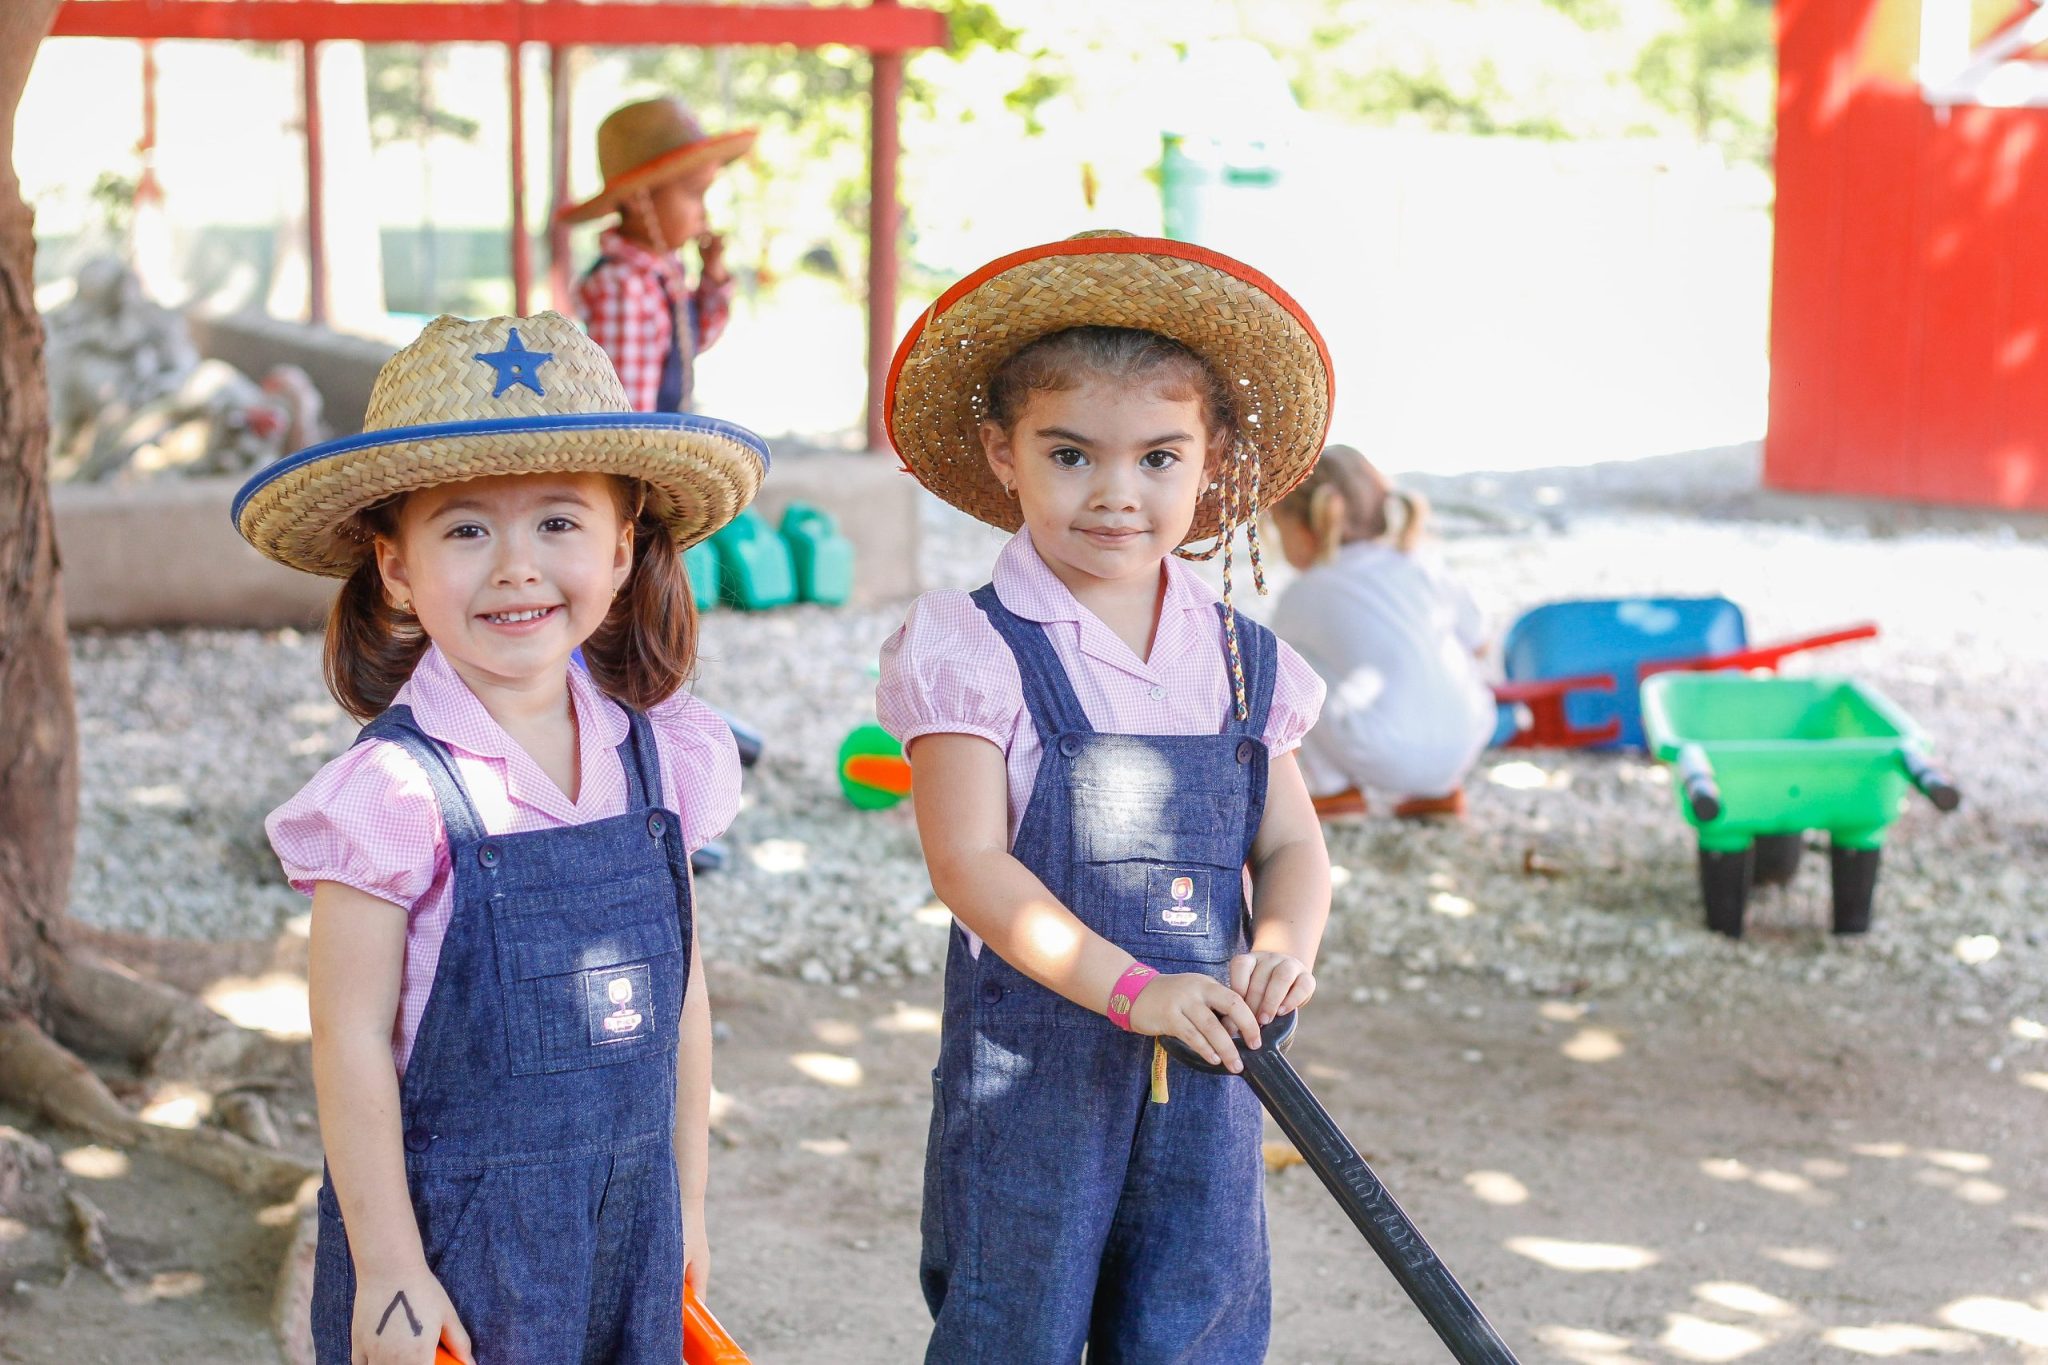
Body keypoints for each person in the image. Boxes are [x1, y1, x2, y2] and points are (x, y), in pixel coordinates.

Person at [235, 311, 769, 1364]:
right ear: (395, 569)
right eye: (467, 530)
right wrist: (389, 1266)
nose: (516, 567)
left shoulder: (663, 755)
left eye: (560, 525)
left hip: (631, 1222)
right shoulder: (387, 791)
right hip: (454, 1236)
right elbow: (347, 1042)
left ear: (622, 550)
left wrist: (687, 1204)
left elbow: (685, 992)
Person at [876, 230, 1335, 1361]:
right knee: (1012, 1324)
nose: (1115, 495)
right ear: (1002, 451)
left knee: (1192, 1317)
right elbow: (969, 866)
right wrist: (1133, 991)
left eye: (1158, 458)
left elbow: (1290, 850)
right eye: (1070, 455)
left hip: (1212, 1061)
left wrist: (1281, 943)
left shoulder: (1239, 658)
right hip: (1035, 1072)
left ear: (1213, 456)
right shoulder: (972, 646)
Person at [1268, 445, 1496, 821]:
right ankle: (1437, 794)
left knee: (1286, 668)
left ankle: (1332, 789)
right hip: (1466, 743)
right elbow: (1481, 645)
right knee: (1440, 649)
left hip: (1381, 754)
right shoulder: (1424, 565)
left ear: (1307, 527)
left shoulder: (1307, 591)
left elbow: (1274, 684)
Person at [560, 97, 755, 413]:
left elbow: (689, 344)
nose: (703, 212)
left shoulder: (661, 271)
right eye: (694, 195)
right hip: (638, 453)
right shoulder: (623, 285)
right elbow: (624, 409)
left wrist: (713, 275)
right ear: (639, 201)